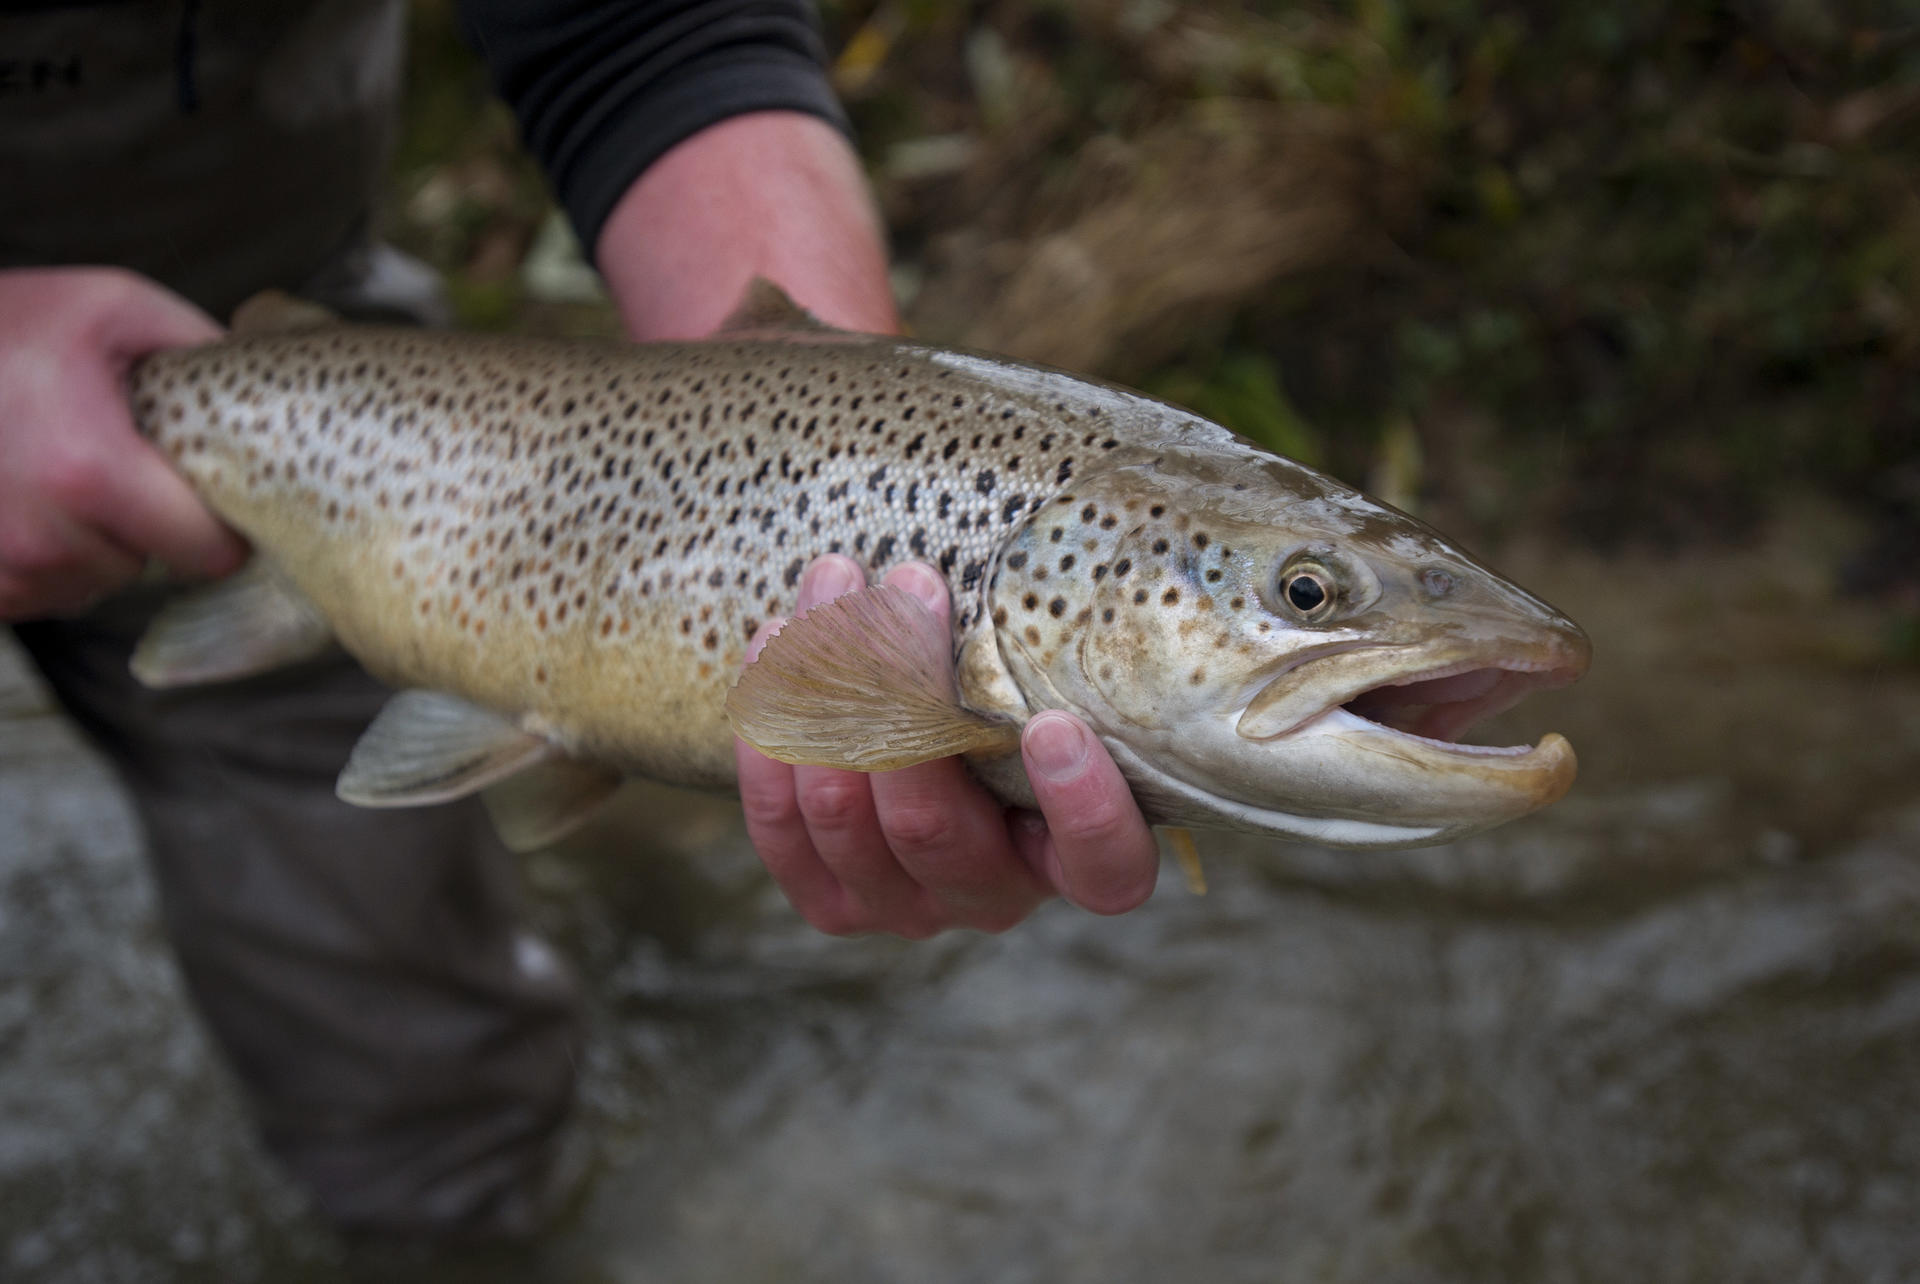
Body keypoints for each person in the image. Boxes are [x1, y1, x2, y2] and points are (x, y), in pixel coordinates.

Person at [0, 0, 1159, 1238]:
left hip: (329, 431)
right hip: (285, 411)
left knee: (432, 1103)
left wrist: (849, 479)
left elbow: (645, 34)